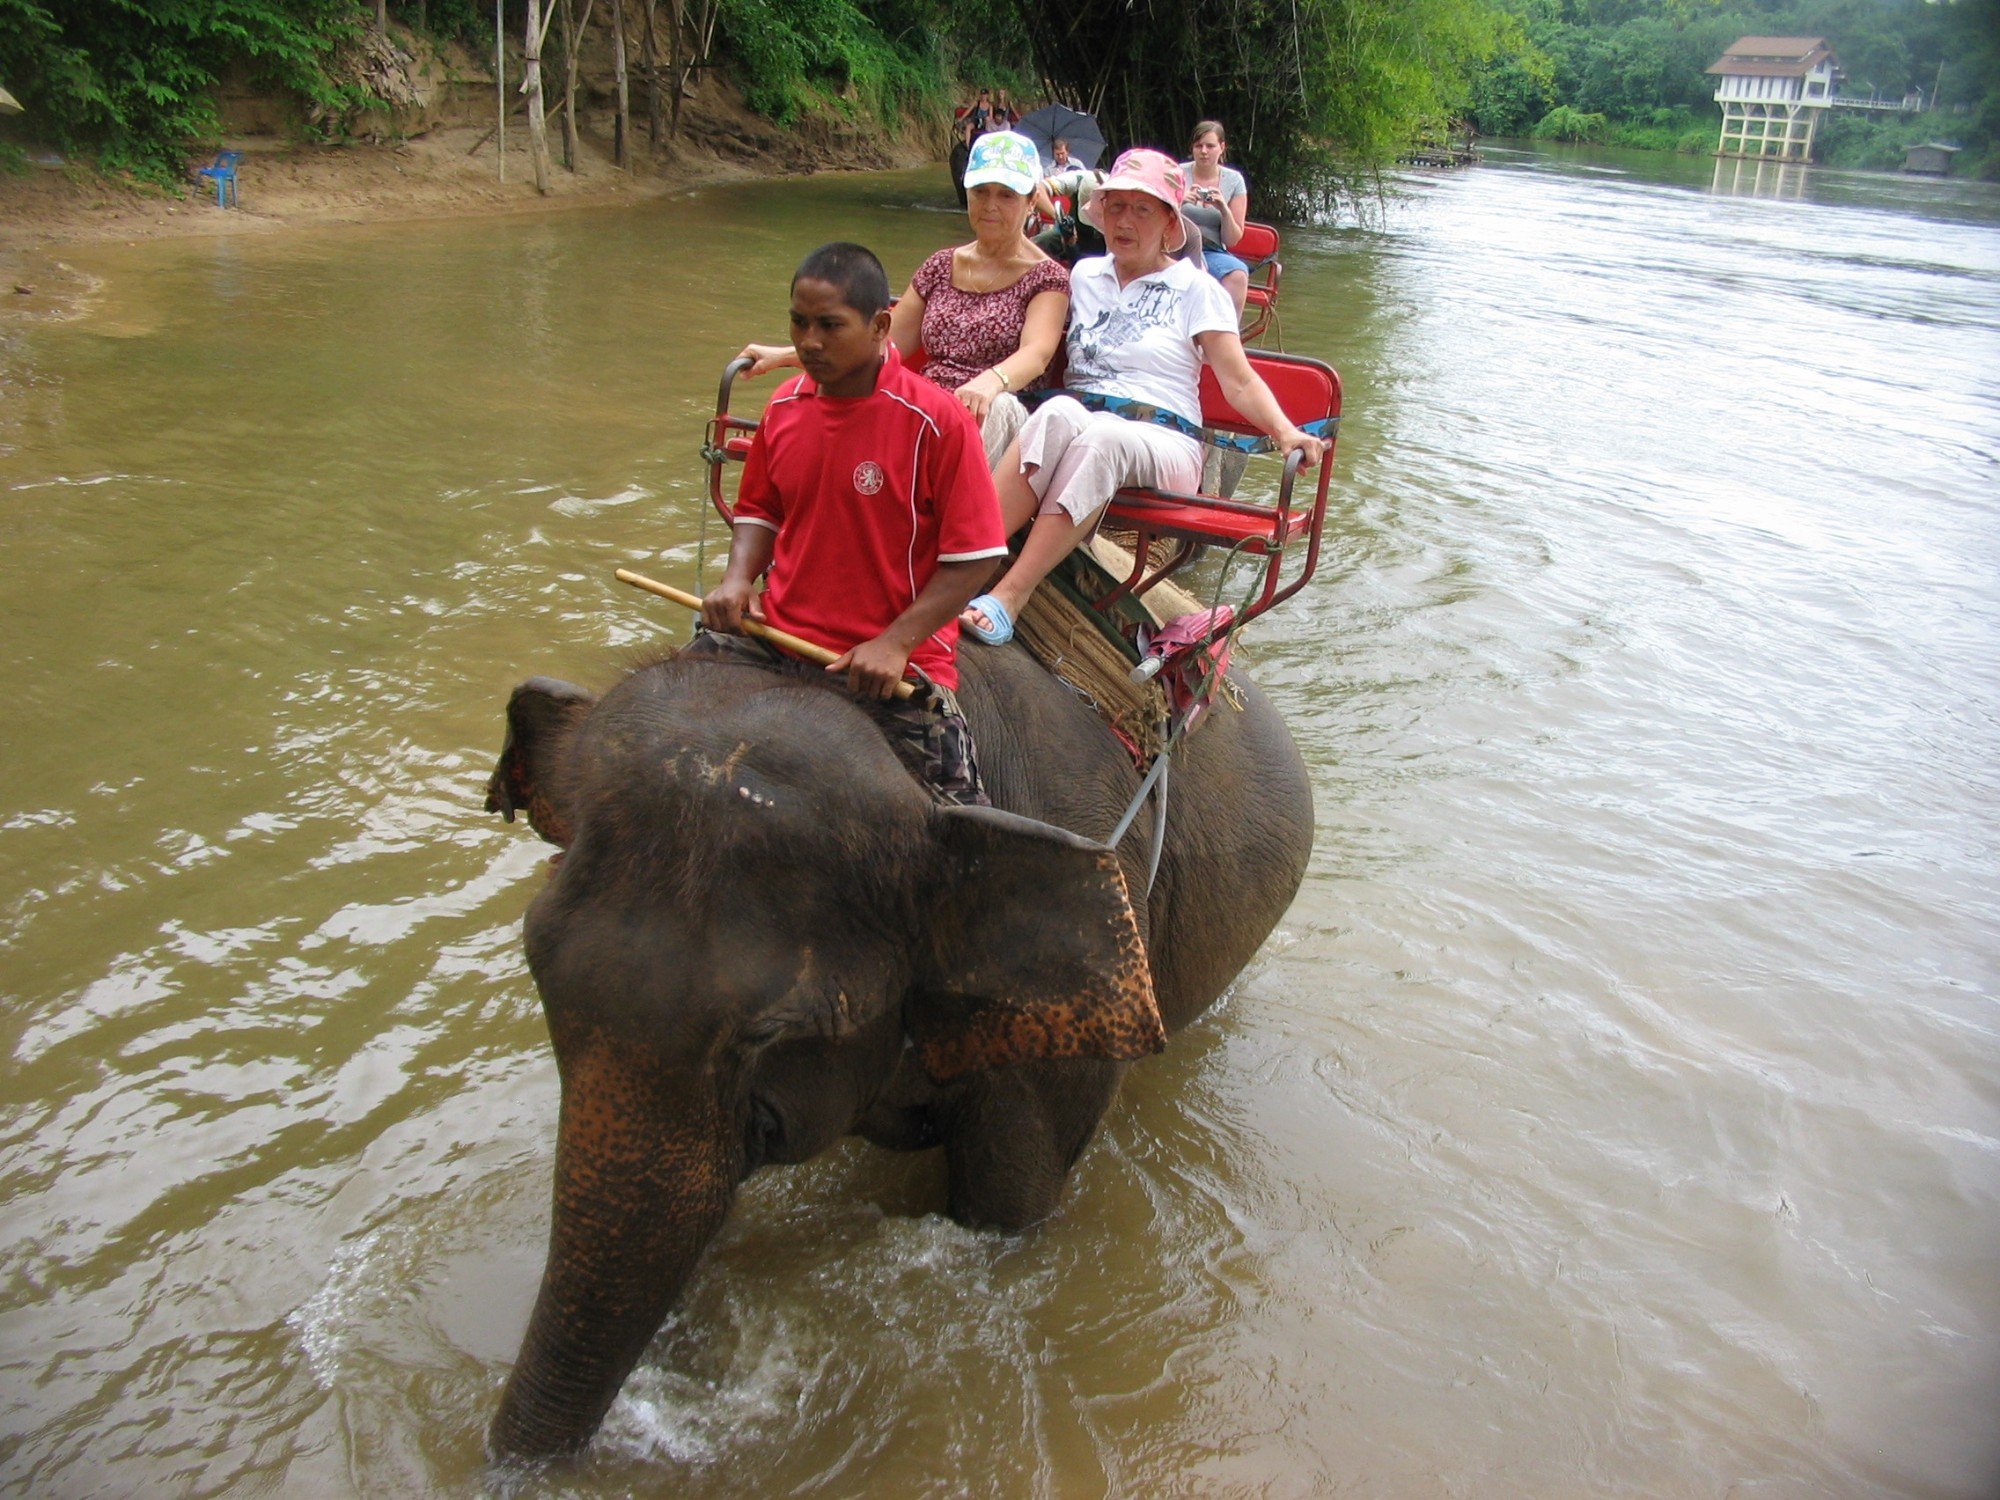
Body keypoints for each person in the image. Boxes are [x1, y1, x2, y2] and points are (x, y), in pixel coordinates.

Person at [958, 149, 1324, 647]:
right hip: (1082, 422)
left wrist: (1285, 432)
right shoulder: (1084, 275)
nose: (1124, 221)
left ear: (1171, 224)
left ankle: (1011, 595)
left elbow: (1237, 381)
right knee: (1057, 411)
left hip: (1164, 441)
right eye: (1115, 207)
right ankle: (962, 566)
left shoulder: (1197, 289)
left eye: (1142, 209)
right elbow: (1021, 281)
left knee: (1103, 436)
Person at [695, 243, 1008, 806]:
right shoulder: (784, 406)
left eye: (830, 326)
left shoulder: (935, 421)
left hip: (891, 662)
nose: (808, 342)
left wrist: (895, 641)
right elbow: (760, 510)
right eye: (798, 322)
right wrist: (738, 580)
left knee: (962, 834)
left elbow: (978, 554)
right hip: (776, 638)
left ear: (880, 326)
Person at [738, 131, 1070, 470]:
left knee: (995, 409)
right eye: (980, 192)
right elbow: (882, 342)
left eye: (1007, 195)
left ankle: (949, 512)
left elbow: (1037, 353)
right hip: (927, 406)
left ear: (1031, 201)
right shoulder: (941, 266)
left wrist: (990, 382)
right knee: (852, 393)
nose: (990, 206)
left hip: (999, 410)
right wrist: (783, 356)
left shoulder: (1047, 277)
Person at [1180, 119, 1251, 316]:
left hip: (1212, 250)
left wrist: (1223, 209)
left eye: (1210, 146)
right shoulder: (1177, 173)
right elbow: (1157, 218)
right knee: (1193, 274)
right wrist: (1180, 202)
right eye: (1198, 146)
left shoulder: (1234, 180)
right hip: (1177, 246)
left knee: (1238, 274)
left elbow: (1232, 239)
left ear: (1222, 147)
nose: (1204, 151)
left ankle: (1227, 336)